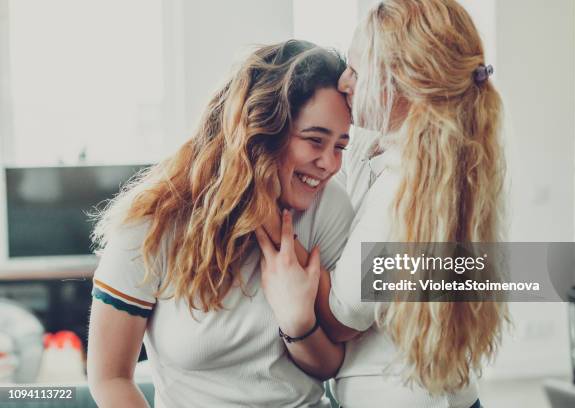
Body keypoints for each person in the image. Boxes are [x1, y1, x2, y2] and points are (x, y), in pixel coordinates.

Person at [256, 1, 509, 407]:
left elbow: (340, 320)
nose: (344, 81)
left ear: (404, 82)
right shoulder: (423, 155)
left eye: (357, 70)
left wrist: (262, 209)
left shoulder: (406, 186)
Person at [87, 39, 354, 408]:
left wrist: (297, 322)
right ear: (261, 130)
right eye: (314, 141)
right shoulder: (153, 221)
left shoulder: (331, 206)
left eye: (340, 146)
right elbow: (110, 377)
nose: (330, 163)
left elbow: (330, 365)